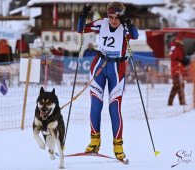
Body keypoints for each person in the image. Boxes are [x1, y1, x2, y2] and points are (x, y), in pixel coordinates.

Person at [77, 2, 138, 161]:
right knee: (95, 105)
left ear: (121, 16)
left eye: (115, 17)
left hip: (117, 70)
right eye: (110, 16)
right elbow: (80, 29)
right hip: (99, 66)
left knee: (114, 108)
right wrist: (83, 15)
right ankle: (94, 142)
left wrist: (128, 22)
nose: (112, 20)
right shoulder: (102, 23)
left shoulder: (125, 27)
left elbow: (135, 35)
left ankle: (118, 146)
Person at [168, 34, 186, 106]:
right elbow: (177, 56)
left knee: (178, 86)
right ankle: (181, 102)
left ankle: (171, 102)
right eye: (181, 40)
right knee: (178, 86)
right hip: (176, 69)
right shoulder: (175, 47)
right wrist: (180, 48)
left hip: (179, 69)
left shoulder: (177, 47)